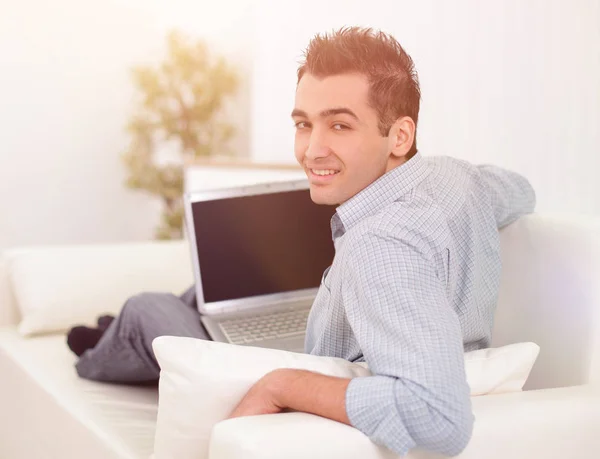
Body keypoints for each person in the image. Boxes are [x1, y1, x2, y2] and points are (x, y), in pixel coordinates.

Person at [69, 26, 535, 457]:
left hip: (290, 380)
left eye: (339, 125)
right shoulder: (457, 179)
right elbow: (521, 191)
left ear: (400, 134)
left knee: (147, 309)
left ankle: (97, 348)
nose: (311, 150)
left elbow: (440, 417)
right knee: (205, 297)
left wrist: (283, 385)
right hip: (359, 331)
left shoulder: (381, 246)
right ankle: (155, 317)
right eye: (303, 123)